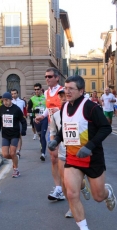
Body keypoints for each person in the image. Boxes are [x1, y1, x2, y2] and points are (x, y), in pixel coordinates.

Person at [48, 75, 116, 230]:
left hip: (92, 158)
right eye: (65, 88)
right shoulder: (64, 108)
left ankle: (107, 193)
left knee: (98, 197)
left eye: (71, 88)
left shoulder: (91, 107)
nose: (67, 91)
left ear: (81, 90)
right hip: (72, 157)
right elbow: (66, 129)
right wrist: (57, 139)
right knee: (71, 193)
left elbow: (106, 128)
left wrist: (90, 146)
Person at [49, 89, 91, 218]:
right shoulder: (56, 116)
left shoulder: (80, 112)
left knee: (78, 182)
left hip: (78, 151)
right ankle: (71, 207)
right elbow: (53, 132)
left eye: (64, 96)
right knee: (65, 182)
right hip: (63, 152)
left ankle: (82, 185)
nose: (63, 99)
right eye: (60, 97)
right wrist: (53, 145)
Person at [35, 67, 65, 201]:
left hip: (63, 127)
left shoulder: (63, 91)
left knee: (64, 159)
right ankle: (58, 188)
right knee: (53, 157)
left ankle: (68, 187)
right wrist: (42, 116)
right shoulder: (46, 93)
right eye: (46, 76)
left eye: (50, 76)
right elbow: (49, 108)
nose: (47, 79)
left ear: (57, 78)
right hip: (52, 127)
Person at [0, 92, 27, 178]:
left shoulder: (16, 109)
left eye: (7, 100)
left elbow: (23, 121)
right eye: (3, 100)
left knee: (12, 152)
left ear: (11, 100)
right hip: (5, 134)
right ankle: (15, 158)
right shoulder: (1, 108)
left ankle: (16, 170)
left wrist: (23, 130)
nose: (5, 102)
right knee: (5, 154)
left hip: (14, 134)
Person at [30, 84, 47, 156]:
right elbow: (28, 109)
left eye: (38, 89)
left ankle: (43, 153)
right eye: (35, 89)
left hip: (44, 119)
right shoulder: (32, 99)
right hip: (37, 120)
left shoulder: (45, 97)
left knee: (43, 136)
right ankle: (41, 144)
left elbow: (49, 106)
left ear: (41, 89)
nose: (36, 91)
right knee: (40, 136)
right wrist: (33, 113)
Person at [10, 88, 26, 158]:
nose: (13, 95)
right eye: (12, 94)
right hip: (11, 121)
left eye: (15, 93)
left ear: (18, 93)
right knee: (12, 136)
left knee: (19, 135)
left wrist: (24, 117)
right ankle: (13, 149)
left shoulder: (22, 102)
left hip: (19, 120)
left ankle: (18, 151)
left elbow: (24, 110)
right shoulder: (10, 102)